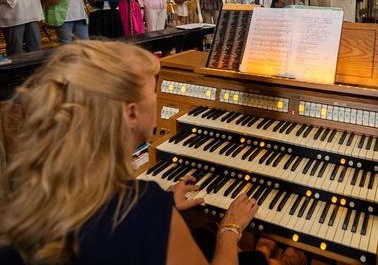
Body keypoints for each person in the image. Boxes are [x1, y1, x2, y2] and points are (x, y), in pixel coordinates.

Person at [0, 41, 259, 264]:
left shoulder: (25, 205)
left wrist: (164, 207)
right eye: (153, 89)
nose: (158, 97)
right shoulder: (141, 206)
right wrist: (230, 230)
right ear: (131, 112)